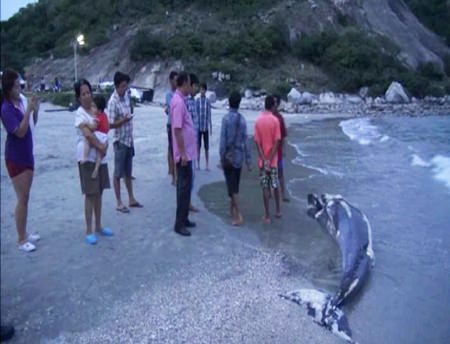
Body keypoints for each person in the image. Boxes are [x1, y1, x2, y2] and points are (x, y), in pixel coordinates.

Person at [0, 69, 41, 252]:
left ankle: (24, 232)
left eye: (20, 85)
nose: (19, 88)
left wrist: (35, 110)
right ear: (9, 88)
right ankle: (21, 238)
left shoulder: (21, 102)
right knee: (21, 198)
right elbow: (21, 131)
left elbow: (32, 124)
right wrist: (29, 111)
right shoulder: (6, 109)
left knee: (26, 197)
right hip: (15, 156)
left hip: (27, 153)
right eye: (16, 86)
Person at [74, 79, 113, 245]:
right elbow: (87, 134)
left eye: (88, 92)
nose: (86, 96)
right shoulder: (80, 114)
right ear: (78, 97)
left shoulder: (96, 110)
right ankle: (89, 229)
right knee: (90, 193)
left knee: (99, 192)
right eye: (83, 94)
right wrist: (101, 147)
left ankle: (99, 226)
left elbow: (104, 128)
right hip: (87, 156)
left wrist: (102, 149)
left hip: (100, 155)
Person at [108, 71, 142, 213]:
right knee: (117, 173)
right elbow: (110, 124)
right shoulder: (112, 102)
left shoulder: (126, 97)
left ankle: (131, 198)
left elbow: (129, 110)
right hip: (120, 141)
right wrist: (124, 120)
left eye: (126, 86)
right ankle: (118, 202)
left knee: (128, 172)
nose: (125, 89)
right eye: (122, 86)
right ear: (116, 86)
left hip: (129, 140)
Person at [170, 72, 197, 236]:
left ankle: (184, 218)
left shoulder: (180, 100)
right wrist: (183, 154)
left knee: (186, 188)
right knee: (183, 188)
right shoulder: (178, 102)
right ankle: (179, 224)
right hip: (183, 155)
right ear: (183, 84)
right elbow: (177, 130)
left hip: (186, 153)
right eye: (188, 84)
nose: (190, 86)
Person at [219, 91, 251, 226]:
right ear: (239, 104)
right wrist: (248, 161)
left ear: (229, 102)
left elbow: (223, 140)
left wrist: (221, 157)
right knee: (235, 185)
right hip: (239, 158)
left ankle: (238, 215)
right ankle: (232, 210)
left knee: (233, 189)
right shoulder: (242, 120)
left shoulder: (225, 119)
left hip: (228, 157)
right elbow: (246, 141)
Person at [254, 95, 282, 223]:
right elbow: (277, 141)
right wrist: (270, 159)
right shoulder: (275, 120)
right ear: (272, 106)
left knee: (265, 186)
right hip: (273, 161)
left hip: (263, 161)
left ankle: (267, 215)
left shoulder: (258, 121)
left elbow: (257, 142)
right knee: (275, 185)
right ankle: (278, 210)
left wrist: (264, 158)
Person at [79, 99, 108, 179]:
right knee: (99, 154)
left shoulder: (98, 117)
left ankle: (85, 157)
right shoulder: (104, 115)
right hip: (104, 136)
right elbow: (107, 126)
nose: (92, 108)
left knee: (87, 141)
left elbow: (93, 127)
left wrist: (86, 123)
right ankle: (96, 168)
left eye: (93, 107)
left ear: (99, 110)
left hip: (98, 134)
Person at [186, 73, 200, 213]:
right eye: (195, 86)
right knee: (188, 176)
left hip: (193, 144)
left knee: (192, 176)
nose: (196, 89)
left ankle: (188, 202)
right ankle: (186, 203)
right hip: (187, 146)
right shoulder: (185, 101)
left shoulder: (192, 101)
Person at [273, 95, 290, 202]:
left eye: (275, 102)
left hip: (278, 150)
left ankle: (282, 194)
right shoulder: (266, 117)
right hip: (268, 150)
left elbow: (283, 136)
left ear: (278, 104)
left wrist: (283, 149)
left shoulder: (279, 118)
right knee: (269, 173)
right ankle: (269, 192)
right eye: (272, 102)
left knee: (280, 173)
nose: (274, 105)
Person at [165, 71, 178, 185]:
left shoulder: (178, 93)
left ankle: (173, 171)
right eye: (175, 80)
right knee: (172, 149)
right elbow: (171, 108)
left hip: (177, 124)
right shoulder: (169, 94)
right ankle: (173, 176)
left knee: (174, 149)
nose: (176, 82)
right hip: (171, 124)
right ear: (170, 81)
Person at [196, 83, 212, 170]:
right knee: (198, 146)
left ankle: (207, 165)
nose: (202, 91)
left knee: (206, 147)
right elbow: (196, 114)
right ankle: (198, 164)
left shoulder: (208, 101)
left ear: (205, 91)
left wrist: (211, 126)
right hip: (198, 127)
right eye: (201, 89)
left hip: (205, 127)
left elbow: (209, 114)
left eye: (203, 89)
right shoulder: (197, 101)